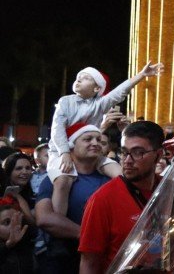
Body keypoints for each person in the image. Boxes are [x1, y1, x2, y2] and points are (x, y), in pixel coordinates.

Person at [47, 62, 164, 218]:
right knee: (62, 181)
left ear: (97, 88)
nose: (79, 79)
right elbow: (57, 129)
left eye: (86, 78)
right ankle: (58, 224)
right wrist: (64, 153)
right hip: (61, 151)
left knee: (122, 174)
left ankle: (140, 214)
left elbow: (119, 92)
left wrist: (141, 75)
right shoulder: (65, 101)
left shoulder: (100, 104)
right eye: (78, 77)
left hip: (91, 153)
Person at [78, 120, 165, 273]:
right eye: (124, 152)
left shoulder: (168, 189)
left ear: (158, 156)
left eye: (138, 153)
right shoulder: (102, 200)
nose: (127, 161)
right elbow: (89, 263)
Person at [35, 124, 110, 274]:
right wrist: (90, 236)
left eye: (99, 140)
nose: (95, 143)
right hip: (63, 259)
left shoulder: (109, 179)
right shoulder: (54, 178)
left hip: (102, 259)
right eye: (88, 139)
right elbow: (44, 218)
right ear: (71, 146)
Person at [0, 196, 36, 273]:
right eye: (7, 222)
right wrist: (7, 247)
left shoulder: (27, 238)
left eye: (17, 220)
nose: (14, 225)